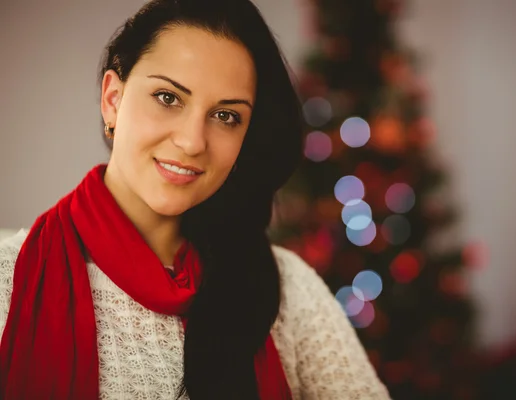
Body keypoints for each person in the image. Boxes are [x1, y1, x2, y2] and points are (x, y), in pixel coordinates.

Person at [0, 0, 390, 399]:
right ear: (112, 100)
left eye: (226, 116)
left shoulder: (288, 289)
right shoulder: (7, 281)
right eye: (168, 97)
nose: (191, 142)